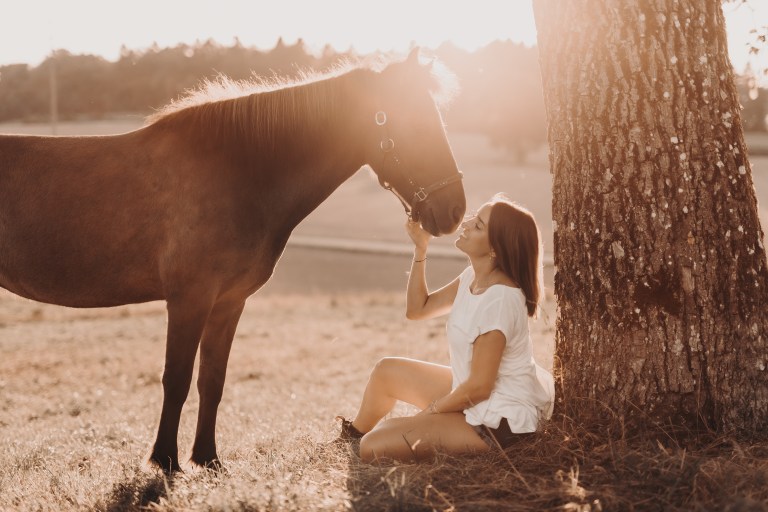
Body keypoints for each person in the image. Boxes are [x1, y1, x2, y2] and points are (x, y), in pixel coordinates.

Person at [334, 194, 555, 463]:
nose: (467, 223)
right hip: (475, 396)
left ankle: (368, 439)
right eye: (474, 217)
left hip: (499, 422)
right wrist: (420, 249)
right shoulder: (472, 277)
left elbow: (479, 388)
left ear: (495, 248)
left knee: (374, 445)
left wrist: (432, 411)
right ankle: (351, 437)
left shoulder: (500, 300)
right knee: (386, 372)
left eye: (478, 225)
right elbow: (418, 309)